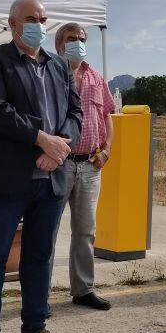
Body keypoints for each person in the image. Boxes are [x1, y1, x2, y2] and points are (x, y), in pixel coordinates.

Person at [0, 0, 83, 333]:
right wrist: (41, 139)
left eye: (43, 18)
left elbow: (75, 113)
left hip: (51, 178)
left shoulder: (58, 66)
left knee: (39, 256)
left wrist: (59, 148)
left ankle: (35, 331)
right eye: (31, 18)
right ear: (13, 23)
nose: (39, 24)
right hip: (8, 177)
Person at [51, 22, 114, 311]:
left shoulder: (96, 78)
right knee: (47, 229)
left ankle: (83, 289)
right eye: (71, 39)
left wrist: (106, 150)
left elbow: (107, 116)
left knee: (86, 231)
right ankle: (40, 293)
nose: (78, 43)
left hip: (89, 164)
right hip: (57, 164)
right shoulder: (48, 73)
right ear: (59, 45)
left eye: (81, 39)